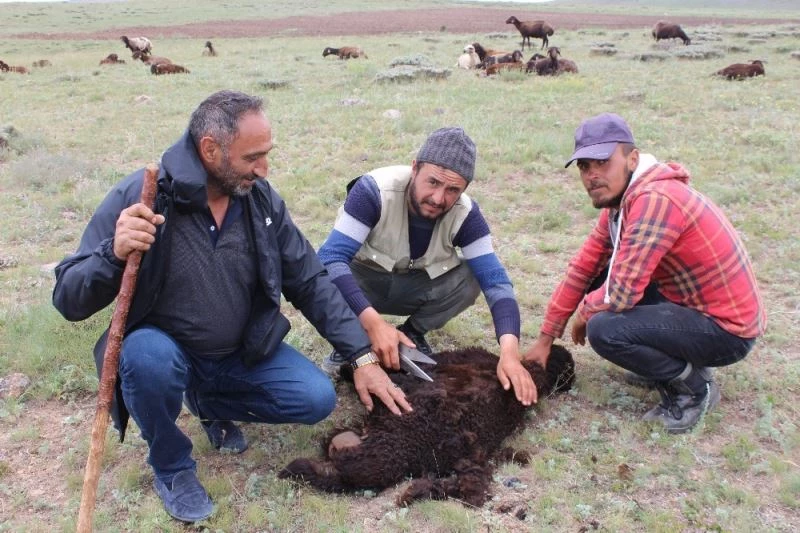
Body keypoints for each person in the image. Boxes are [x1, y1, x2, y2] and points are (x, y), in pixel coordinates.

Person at [52, 90, 411, 523]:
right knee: (147, 358)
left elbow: (309, 279)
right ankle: (171, 466)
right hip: (166, 351)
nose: (264, 168)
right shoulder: (144, 197)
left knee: (315, 399)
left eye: (266, 155)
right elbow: (68, 296)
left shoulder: (259, 200)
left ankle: (208, 403)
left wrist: (360, 355)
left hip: (240, 352)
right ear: (210, 150)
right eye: (252, 157)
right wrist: (113, 252)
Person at [525, 112, 766, 434]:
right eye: (584, 166)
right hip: (696, 308)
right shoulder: (621, 204)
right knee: (598, 279)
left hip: (728, 331)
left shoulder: (654, 199)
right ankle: (671, 362)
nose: (592, 175)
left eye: (603, 162)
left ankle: (694, 389)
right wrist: (545, 339)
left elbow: (622, 293)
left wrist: (584, 313)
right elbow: (583, 267)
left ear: (632, 159)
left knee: (604, 329)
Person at [317, 126, 537, 406]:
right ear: (414, 168)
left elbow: (496, 282)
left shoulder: (467, 215)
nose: (438, 198)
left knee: (473, 274)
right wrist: (373, 324)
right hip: (362, 284)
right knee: (326, 274)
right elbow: (330, 258)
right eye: (432, 182)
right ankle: (351, 340)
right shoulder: (374, 190)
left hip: (414, 286)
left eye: (453, 190)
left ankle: (411, 335)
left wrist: (510, 353)